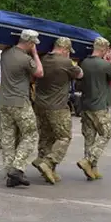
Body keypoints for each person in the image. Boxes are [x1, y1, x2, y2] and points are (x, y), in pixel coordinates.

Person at [31, 37, 83, 184]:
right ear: (65, 49)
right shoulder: (66, 62)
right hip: (58, 106)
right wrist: (74, 62)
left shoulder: (42, 59)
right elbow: (80, 75)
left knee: (46, 136)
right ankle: (48, 163)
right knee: (64, 137)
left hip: (40, 105)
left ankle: (43, 161)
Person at [0, 29, 44, 188]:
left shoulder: (5, 53)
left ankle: (9, 172)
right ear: (30, 43)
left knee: (8, 137)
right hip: (19, 102)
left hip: (3, 101)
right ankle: (17, 168)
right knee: (30, 134)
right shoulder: (25, 59)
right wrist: (35, 55)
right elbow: (39, 72)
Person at [77, 37, 111, 181]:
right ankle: (88, 160)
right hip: (99, 105)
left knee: (89, 137)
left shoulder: (84, 63)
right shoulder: (105, 65)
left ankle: (92, 168)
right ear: (104, 49)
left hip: (86, 104)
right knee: (106, 134)